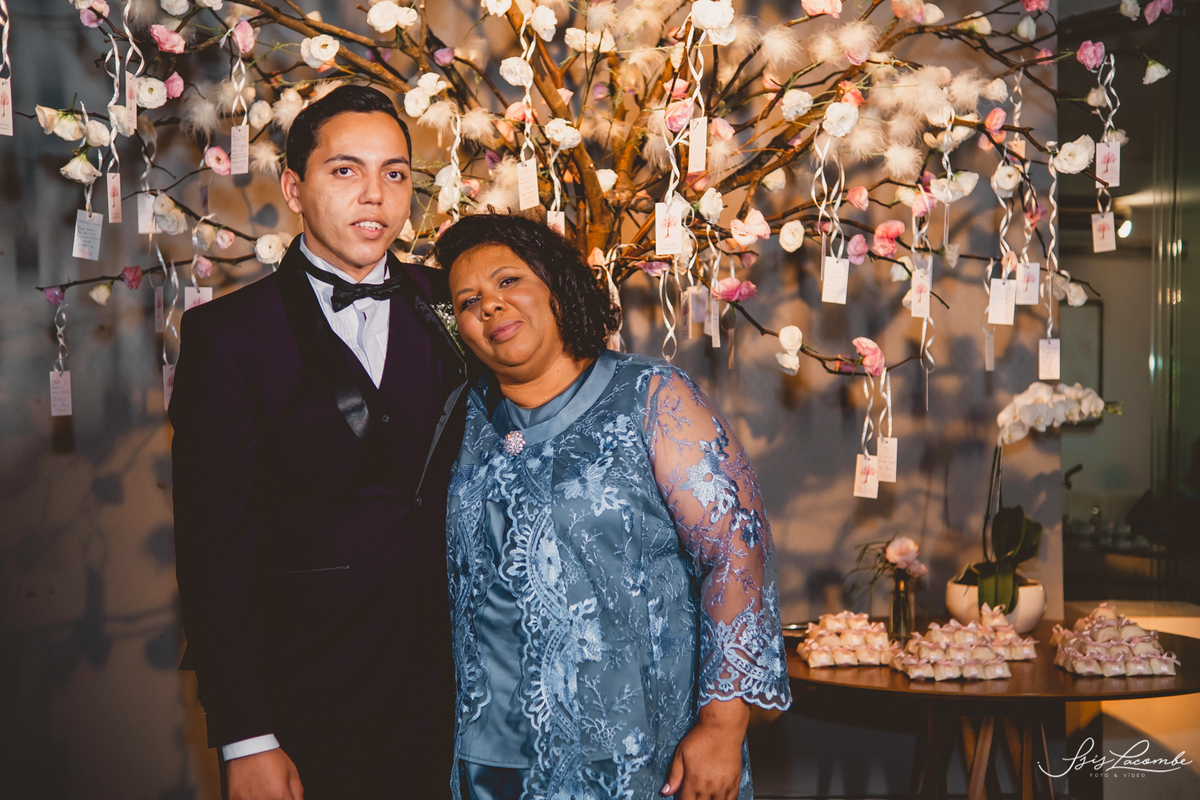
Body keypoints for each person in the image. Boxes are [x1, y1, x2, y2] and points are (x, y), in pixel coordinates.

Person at [171, 85, 471, 799]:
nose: (375, 195)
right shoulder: (228, 337)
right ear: (294, 189)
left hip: (464, 691)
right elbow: (215, 550)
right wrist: (247, 735)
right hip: (313, 698)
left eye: (394, 173)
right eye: (345, 170)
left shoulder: (457, 301)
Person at [431, 214, 791, 800]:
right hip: (495, 765)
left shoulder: (650, 396)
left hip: (641, 756)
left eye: (508, 281)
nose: (489, 305)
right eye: (468, 301)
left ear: (557, 286)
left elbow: (736, 550)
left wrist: (722, 727)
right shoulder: (457, 419)